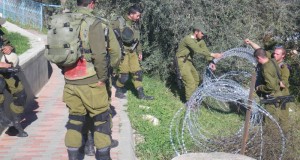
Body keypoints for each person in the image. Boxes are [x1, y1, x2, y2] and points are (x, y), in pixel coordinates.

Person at [61, 0, 120, 159]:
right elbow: (108, 55)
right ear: (92, 4)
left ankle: (74, 156)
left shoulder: (64, 20)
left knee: (74, 120)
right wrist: (103, 77)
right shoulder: (96, 24)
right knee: (101, 120)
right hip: (92, 80)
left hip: (70, 80)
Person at [113, 5, 154, 100]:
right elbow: (110, 37)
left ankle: (141, 94)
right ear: (131, 14)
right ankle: (119, 89)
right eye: (137, 15)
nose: (139, 18)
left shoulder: (135, 24)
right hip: (122, 52)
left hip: (132, 52)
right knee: (124, 75)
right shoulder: (118, 22)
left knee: (137, 72)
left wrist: (139, 51)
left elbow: (137, 40)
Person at [175, 23, 222, 102]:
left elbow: (205, 51)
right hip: (181, 61)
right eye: (202, 33)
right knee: (190, 82)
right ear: (196, 32)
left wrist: (211, 62)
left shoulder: (201, 41)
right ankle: (189, 103)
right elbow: (197, 49)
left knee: (196, 79)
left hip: (189, 61)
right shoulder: (188, 39)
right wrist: (213, 54)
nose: (203, 35)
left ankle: (192, 98)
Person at [0, 17, 28, 137]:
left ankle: (16, 124)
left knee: (20, 94)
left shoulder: (0, 33)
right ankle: (4, 121)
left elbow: (9, 45)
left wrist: (10, 48)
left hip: (5, 69)